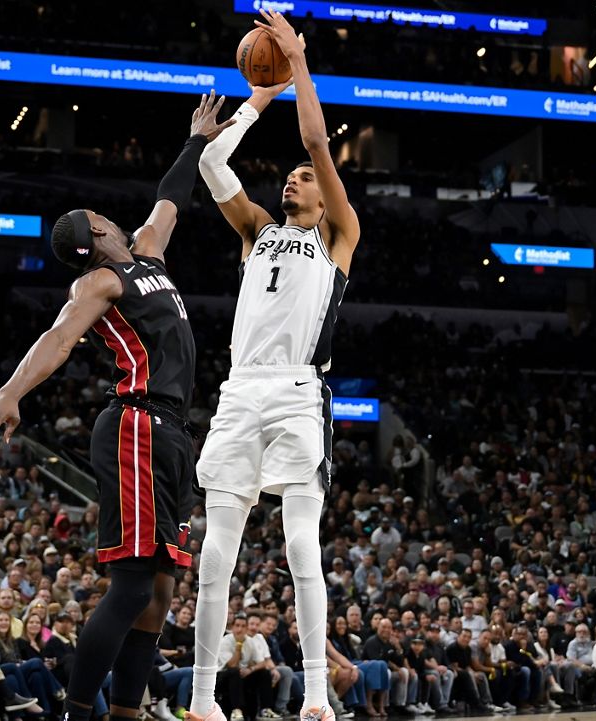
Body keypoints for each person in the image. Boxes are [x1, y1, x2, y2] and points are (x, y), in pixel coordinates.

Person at [0, 93, 234, 721]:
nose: (112, 215)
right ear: (97, 234)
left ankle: (126, 712)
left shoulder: (147, 253)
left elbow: (172, 198)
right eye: (100, 215)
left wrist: (195, 140)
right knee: (134, 583)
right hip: (135, 424)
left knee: (161, 593)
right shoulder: (99, 282)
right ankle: (78, 711)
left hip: (170, 432)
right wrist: (11, 392)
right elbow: (59, 338)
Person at [189, 11, 362, 721]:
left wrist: (297, 64)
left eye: (302, 178)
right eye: (288, 177)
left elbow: (317, 139)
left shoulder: (338, 235)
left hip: (297, 392)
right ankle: (201, 700)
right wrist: (257, 98)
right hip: (239, 392)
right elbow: (209, 164)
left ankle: (318, 697)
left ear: (323, 196)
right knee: (215, 555)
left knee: (299, 546)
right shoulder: (257, 230)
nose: (293, 180)